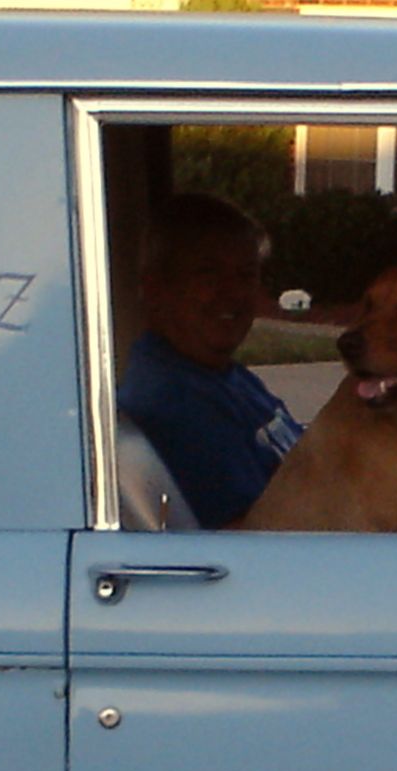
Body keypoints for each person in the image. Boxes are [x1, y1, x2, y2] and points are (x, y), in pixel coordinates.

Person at [116, 194, 303, 529]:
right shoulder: (174, 406)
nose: (233, 293)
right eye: (209, 274)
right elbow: (247, 544)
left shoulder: (220, 375)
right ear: (155, 289)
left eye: (246, 275)